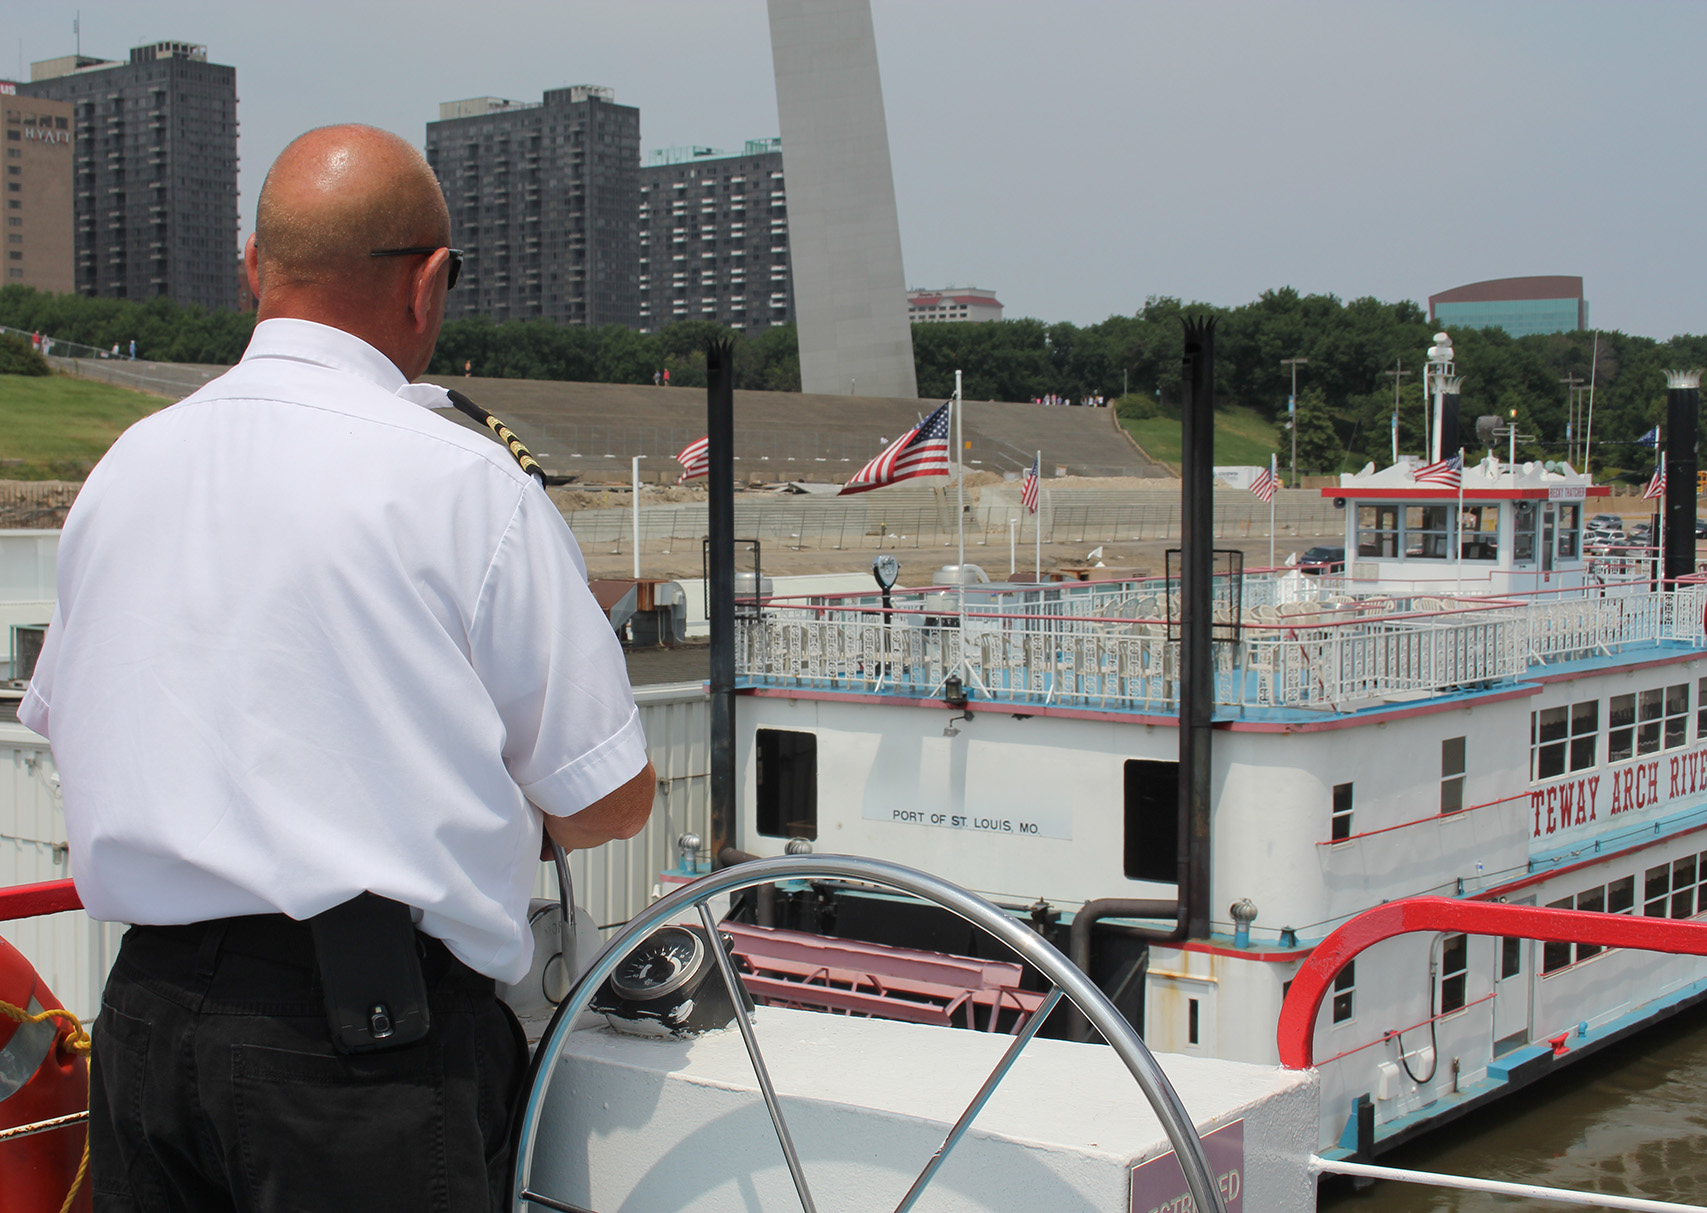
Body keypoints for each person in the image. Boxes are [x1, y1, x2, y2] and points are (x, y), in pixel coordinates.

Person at [20, 124, 656, 1211]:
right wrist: (498, 818)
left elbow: (75, 727)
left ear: (252, 270)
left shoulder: (126, 468)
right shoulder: (464, 481)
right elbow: (612, 794)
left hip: (146, 1026)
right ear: (427, 285)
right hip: (359, 1054)